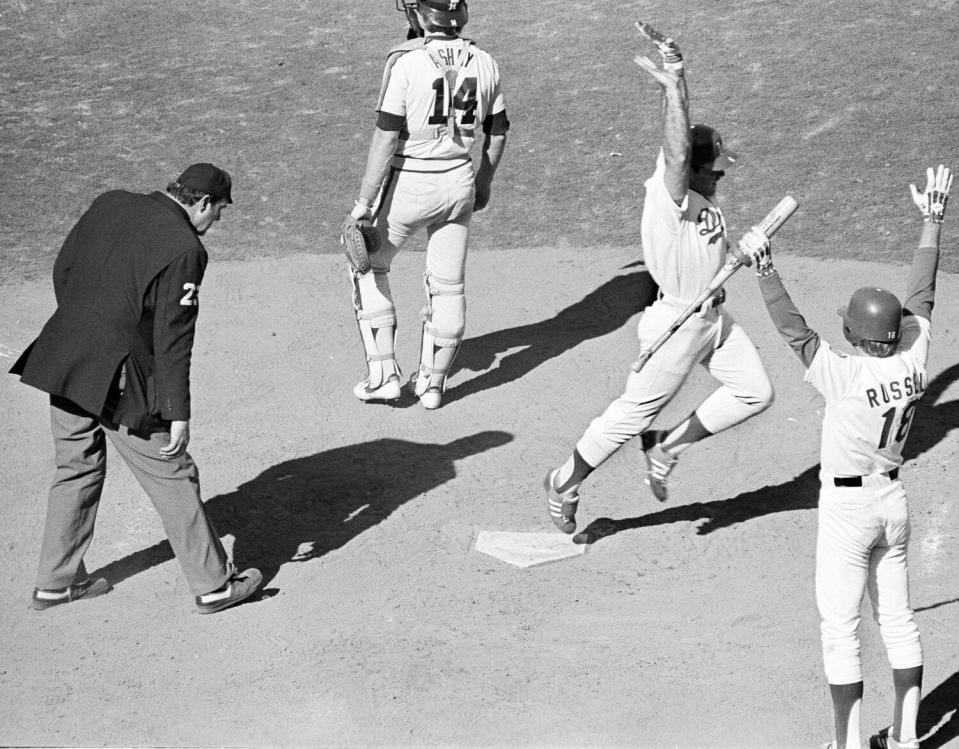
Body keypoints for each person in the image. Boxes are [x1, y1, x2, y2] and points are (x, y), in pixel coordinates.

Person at [740, 164, 952, 749]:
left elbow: (796, 333)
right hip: (894, 504)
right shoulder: (913, 357)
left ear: (859, 336)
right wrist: (932, 220)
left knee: (842, 630)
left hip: (847, 513)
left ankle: (849, 744)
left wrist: (764, 268)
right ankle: (907, 741)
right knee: (900, 622)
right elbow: (922, 294)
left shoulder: (845, 376)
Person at [543, 24, 774, 534]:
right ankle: (564, 480)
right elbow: (675, 152)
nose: (721, 174)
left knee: (755, 392)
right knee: (630, 415)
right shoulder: (667, 199)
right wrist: (670, 90)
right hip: (676, 325)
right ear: (692, 168)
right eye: (714, 167)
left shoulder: (696, 193)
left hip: (711, 317)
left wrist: (678, 73)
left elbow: (681, 143)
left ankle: (669, 447)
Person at [10, 164, 263, 615]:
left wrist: (83, 327)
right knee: (171, 470)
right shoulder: (186, 248)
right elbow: (172, 337)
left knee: (75, 466)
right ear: (202, 202)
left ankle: (55, 582)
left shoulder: (111, 201)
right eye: (219, 211)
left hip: (61, 354)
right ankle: (214, 585)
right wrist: (176, 411)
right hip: (114, 376)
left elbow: (63, 269)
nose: (217, 222)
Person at [345, 0, 509, 410]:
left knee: (368, 265)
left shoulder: (406, 63)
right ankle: (433, 386)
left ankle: (383, 375)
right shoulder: (485, 62)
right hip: (459, 184)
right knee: (448, 286)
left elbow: (385, 137)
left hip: (410, 186)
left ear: (420, 16)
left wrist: (363, 204)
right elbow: (498, 133)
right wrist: (482, 185)